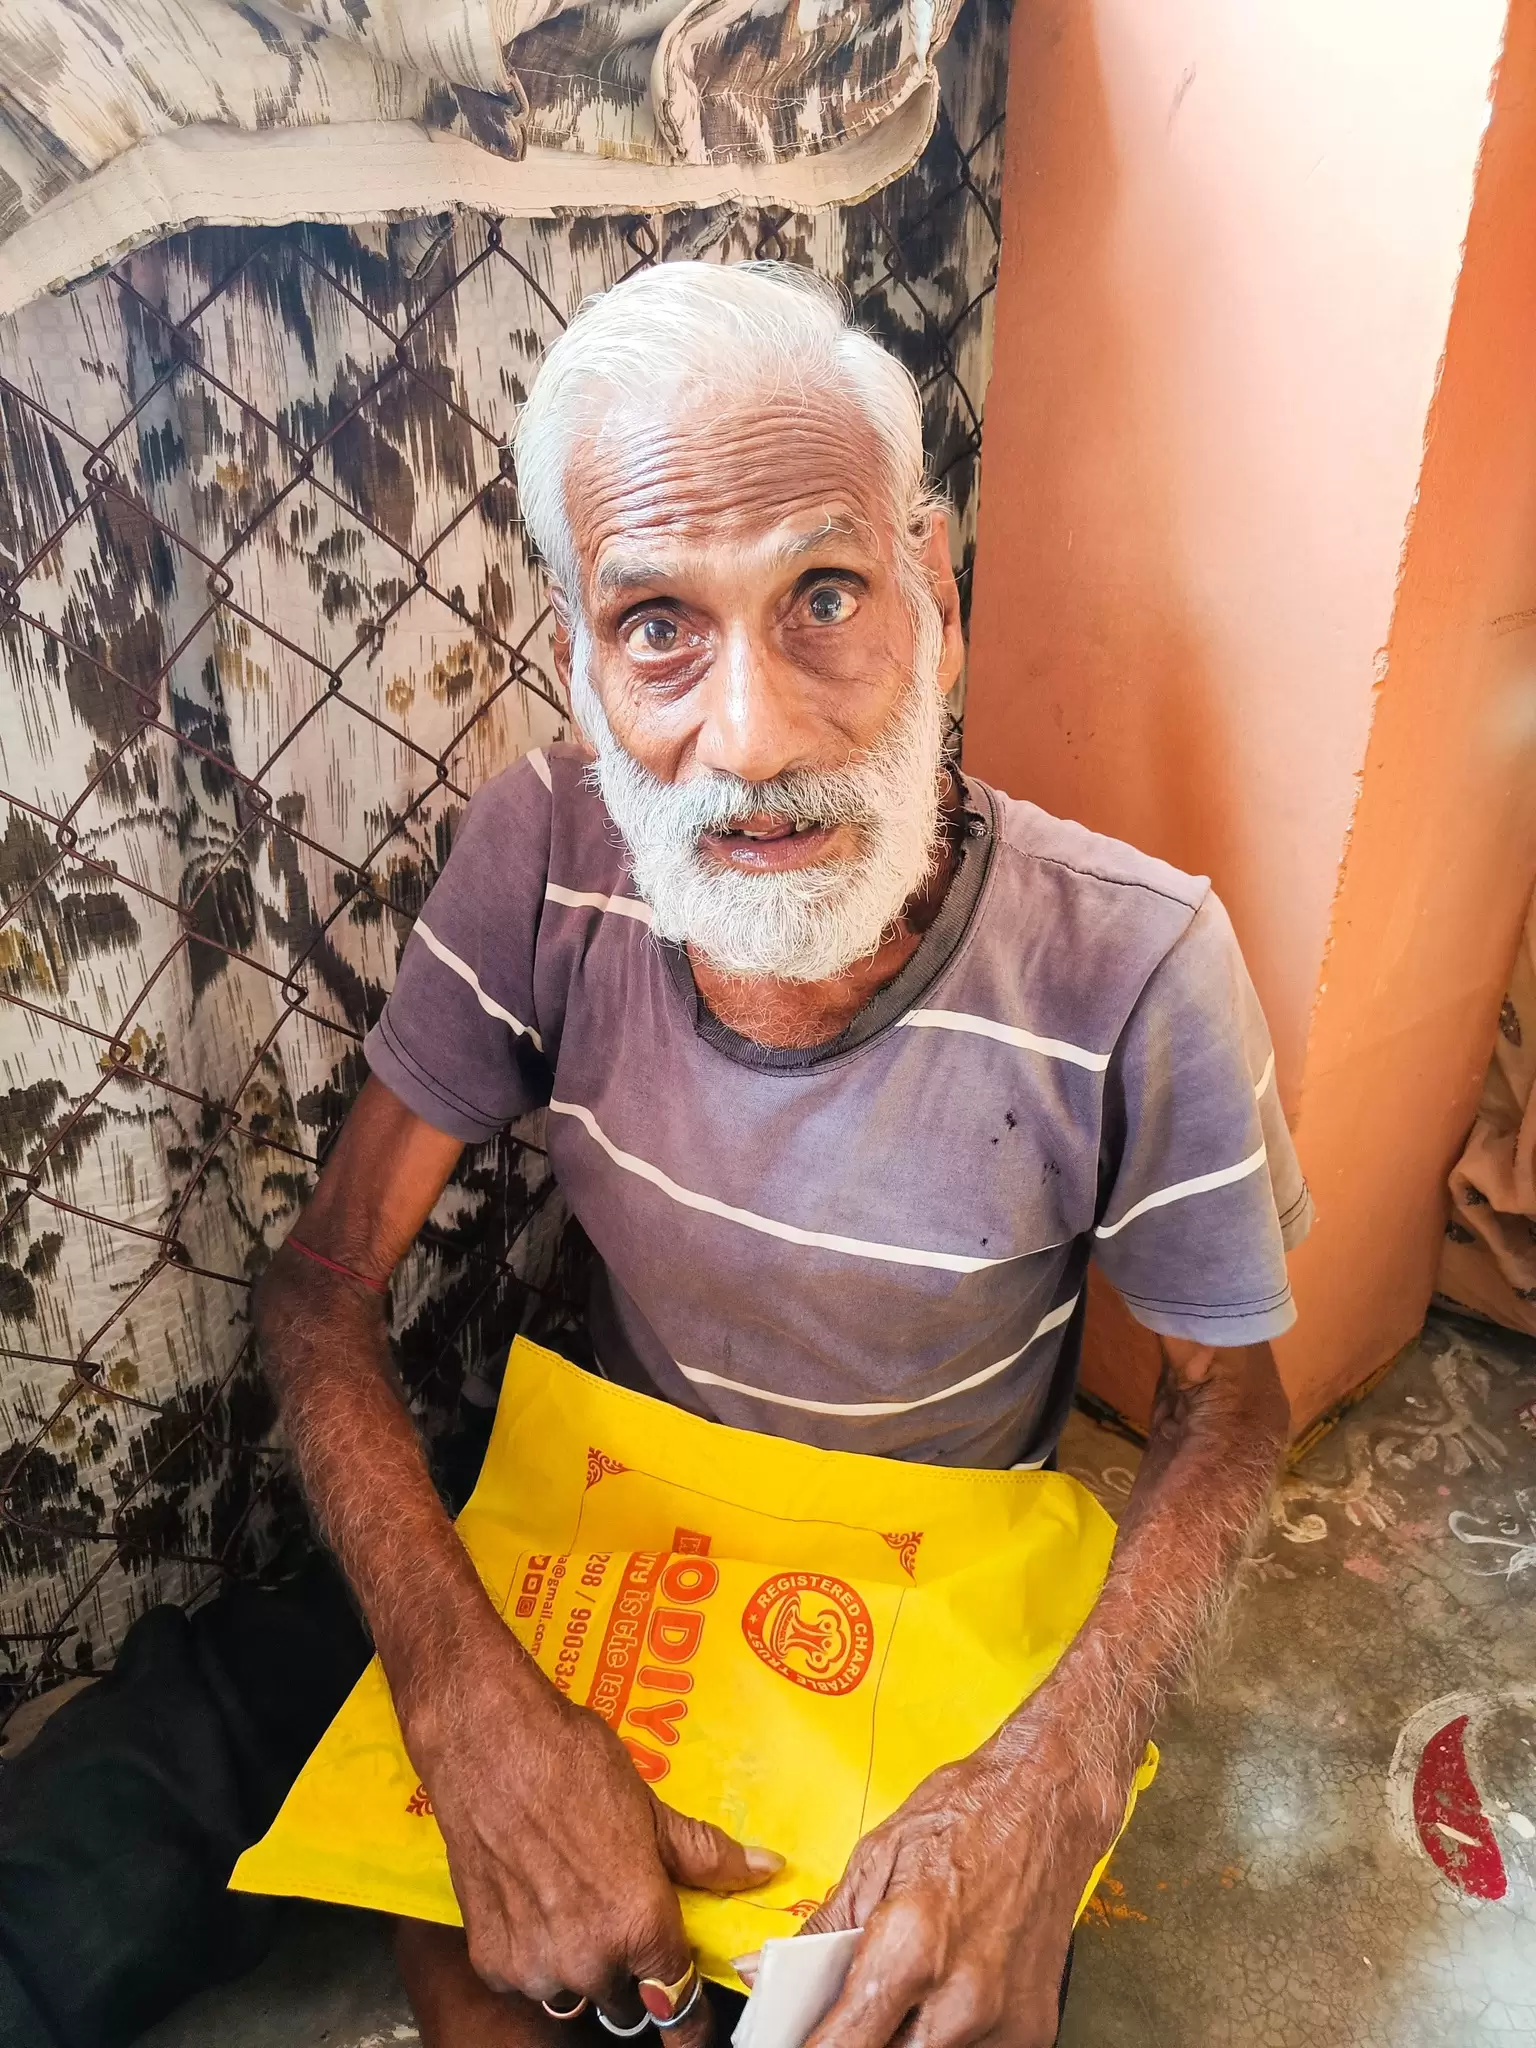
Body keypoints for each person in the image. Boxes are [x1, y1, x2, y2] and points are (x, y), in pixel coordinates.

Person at [253, 262, 1306, 2048]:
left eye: (824, 595)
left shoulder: (1137, 967)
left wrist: (1053, 1782)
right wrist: (464, 1704)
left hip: (934, 1604)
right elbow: (320, 1286)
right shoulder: (541, 857)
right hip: (630, 1566)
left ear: (936, 595)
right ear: (582, 663)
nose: (748, 740)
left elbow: (1231, 1405)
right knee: (505, 1978)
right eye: (657, 624)